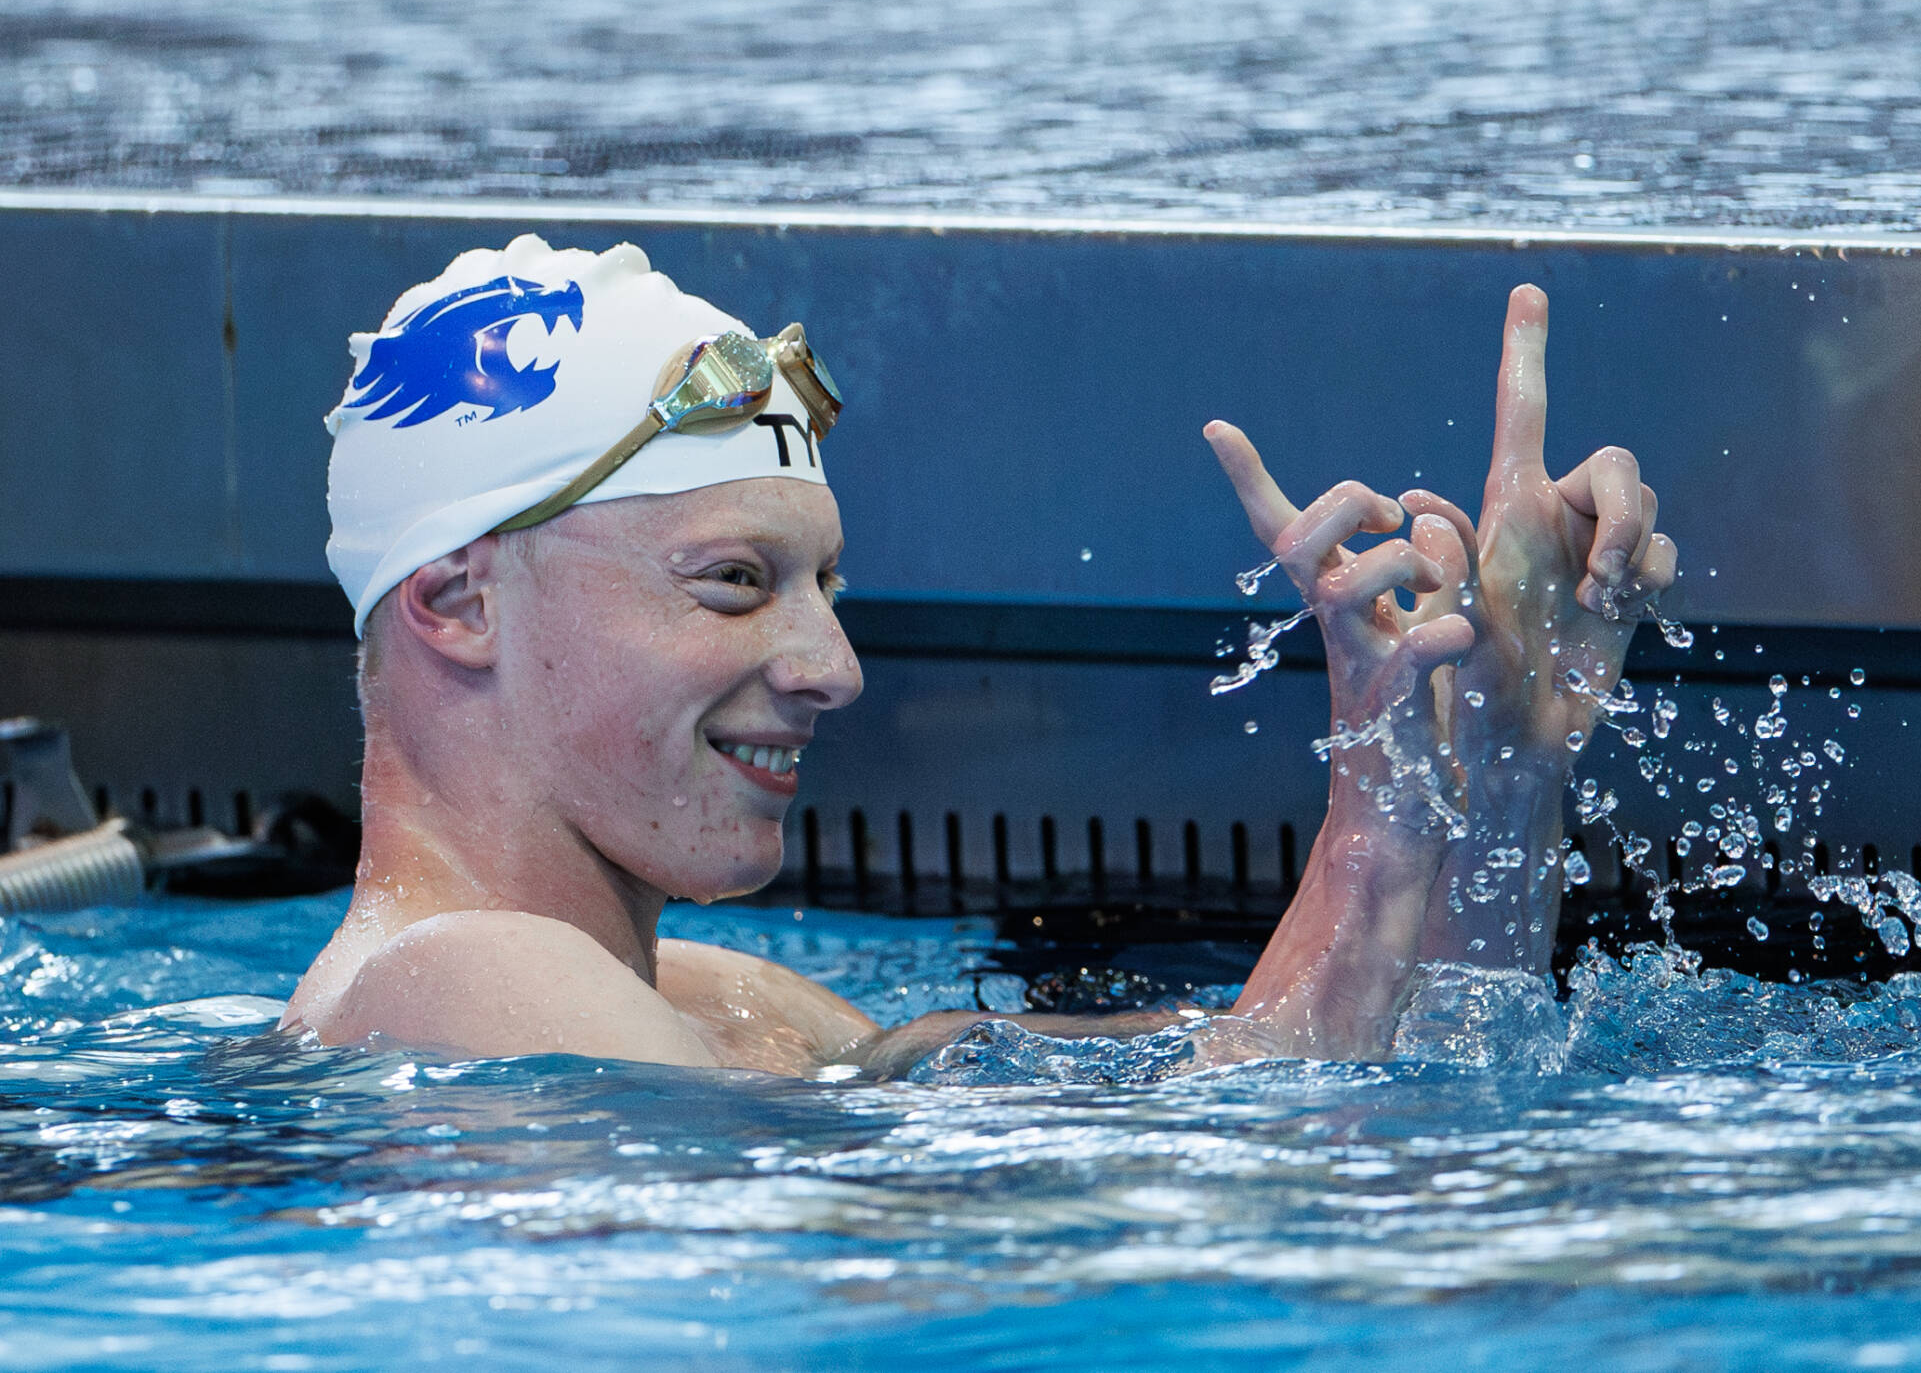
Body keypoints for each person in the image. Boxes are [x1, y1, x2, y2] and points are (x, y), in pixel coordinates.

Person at [283, 234, 1676, 1075]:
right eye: (734, 584)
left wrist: (1490, 772)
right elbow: (1225, 1195)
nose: (831, 664)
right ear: (458, 605)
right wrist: (1370, 813)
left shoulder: (720, 1006)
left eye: (823, 582)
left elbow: (1378, 1075)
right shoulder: (458, 986)